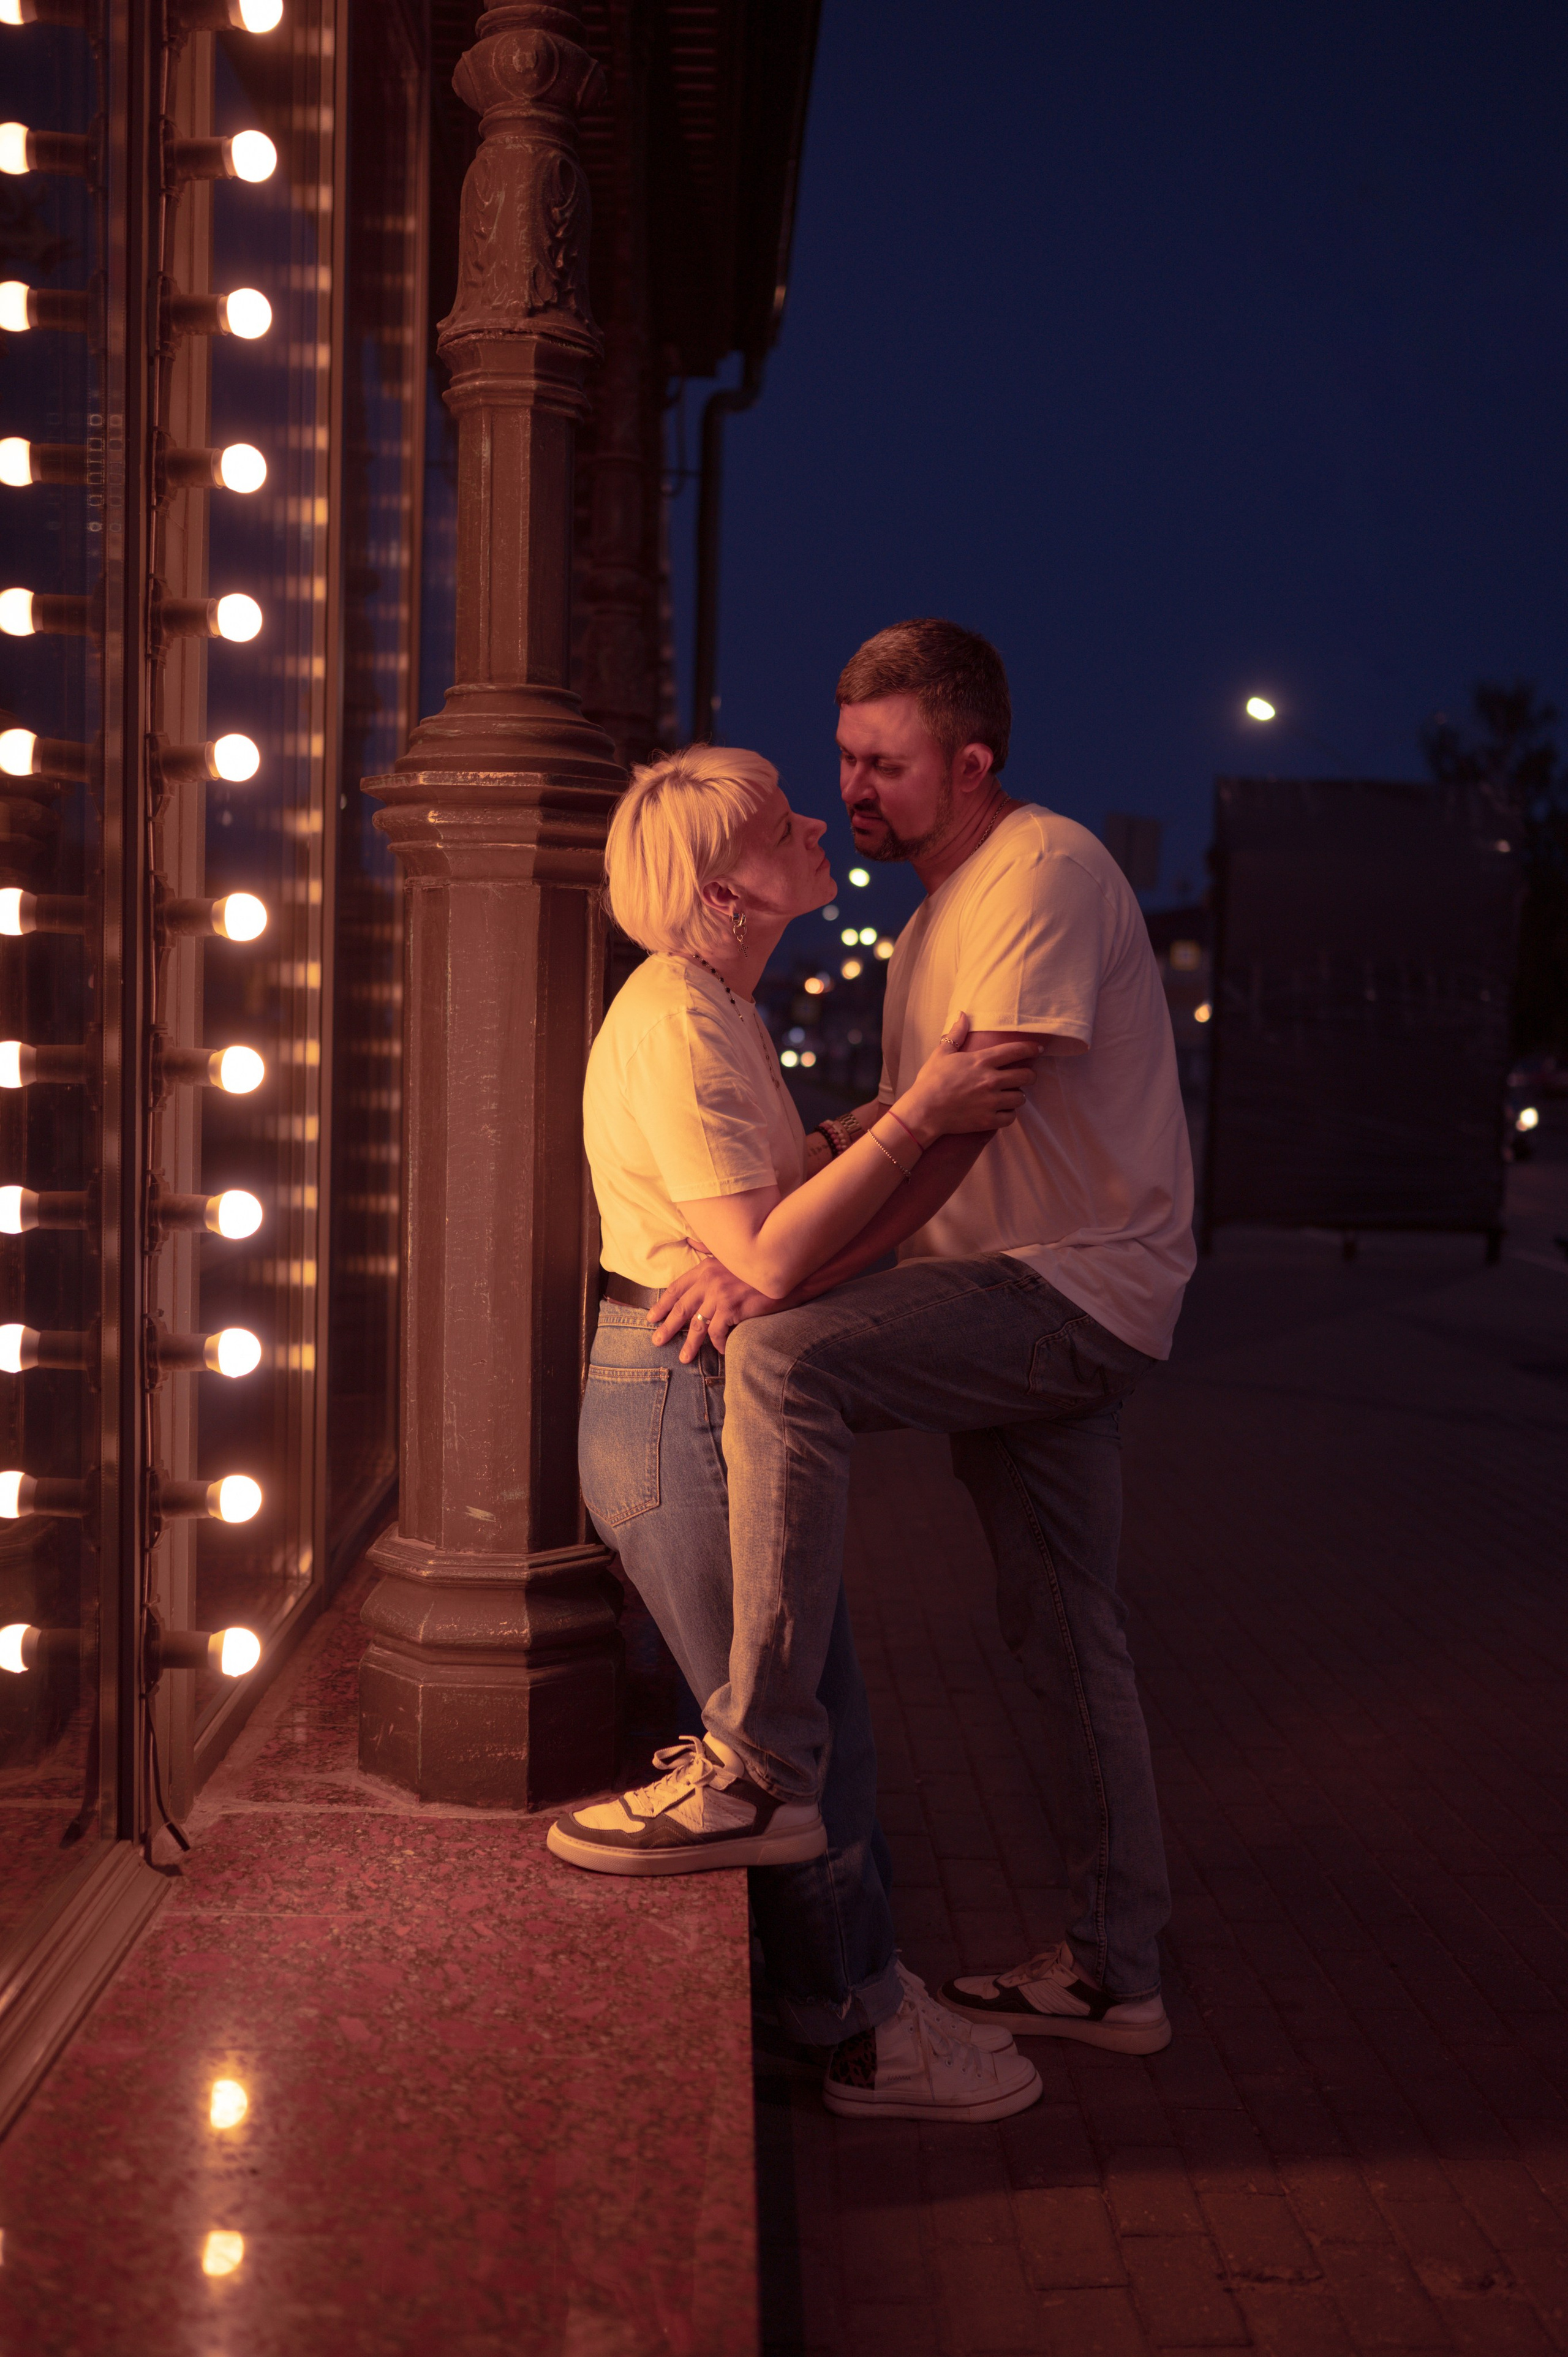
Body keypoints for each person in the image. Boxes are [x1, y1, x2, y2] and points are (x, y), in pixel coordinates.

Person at [563, 619, 1195, 2059]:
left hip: (1066, 1288)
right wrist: (789, 1236)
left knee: (790, 1363)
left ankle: (761, 1767)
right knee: (1061, 1638)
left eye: (881, 764)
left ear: (968, 763)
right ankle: (1115, 1973)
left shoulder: (1038, 873)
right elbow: (901, 1139)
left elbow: (957, 1146)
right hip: (1007, 1291)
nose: (847, 789)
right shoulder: (915, 928)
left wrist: (776, 1280)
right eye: (840, 755)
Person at [554, 740, 1045, 2124]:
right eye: (780, 822)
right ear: (725, 894)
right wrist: (922, 1118)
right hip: (678, 1410)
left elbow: (760, 1237)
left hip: (686, 1400)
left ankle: (849, 2003)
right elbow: (759, 1250)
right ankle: (862, 2039)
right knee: (793, 1746)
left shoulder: (702, 1006)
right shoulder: (679, 1023)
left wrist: (817, 1185)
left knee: (813, 1722)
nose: (815, 821)